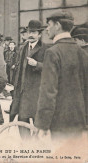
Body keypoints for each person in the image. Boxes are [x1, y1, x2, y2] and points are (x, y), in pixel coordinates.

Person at [35, 11, 88, 140]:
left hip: (59, 123)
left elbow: (48, 92)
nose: (47, 29)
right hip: (79, 121)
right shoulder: (82, 52)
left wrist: (42, 125)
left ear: (57, 25)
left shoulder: (53, 53)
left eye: (48, 25)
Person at [10, 20, 48, 139]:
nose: (30, 34)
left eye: (34, 32)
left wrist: (37, 64)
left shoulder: (45, 49)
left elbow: (50, 68)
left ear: (40, 34)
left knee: (38, 123)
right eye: (29, 32)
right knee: (22, 121)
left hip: (36, 93)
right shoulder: (23, 48)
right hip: (22, 92)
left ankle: (35, 146)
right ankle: (26, 145)